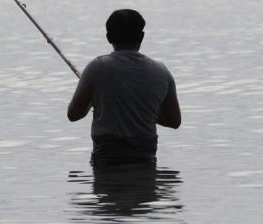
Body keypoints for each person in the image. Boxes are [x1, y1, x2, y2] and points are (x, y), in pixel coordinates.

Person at [67, 9, 181, 165]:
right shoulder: (161, 71)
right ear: (141, 37)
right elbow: (174, 121)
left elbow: (74, 114)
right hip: (145, 159)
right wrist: (144, 111)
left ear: (108, 37)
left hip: (106, 159)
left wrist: (94, 103)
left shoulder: (97, 67)